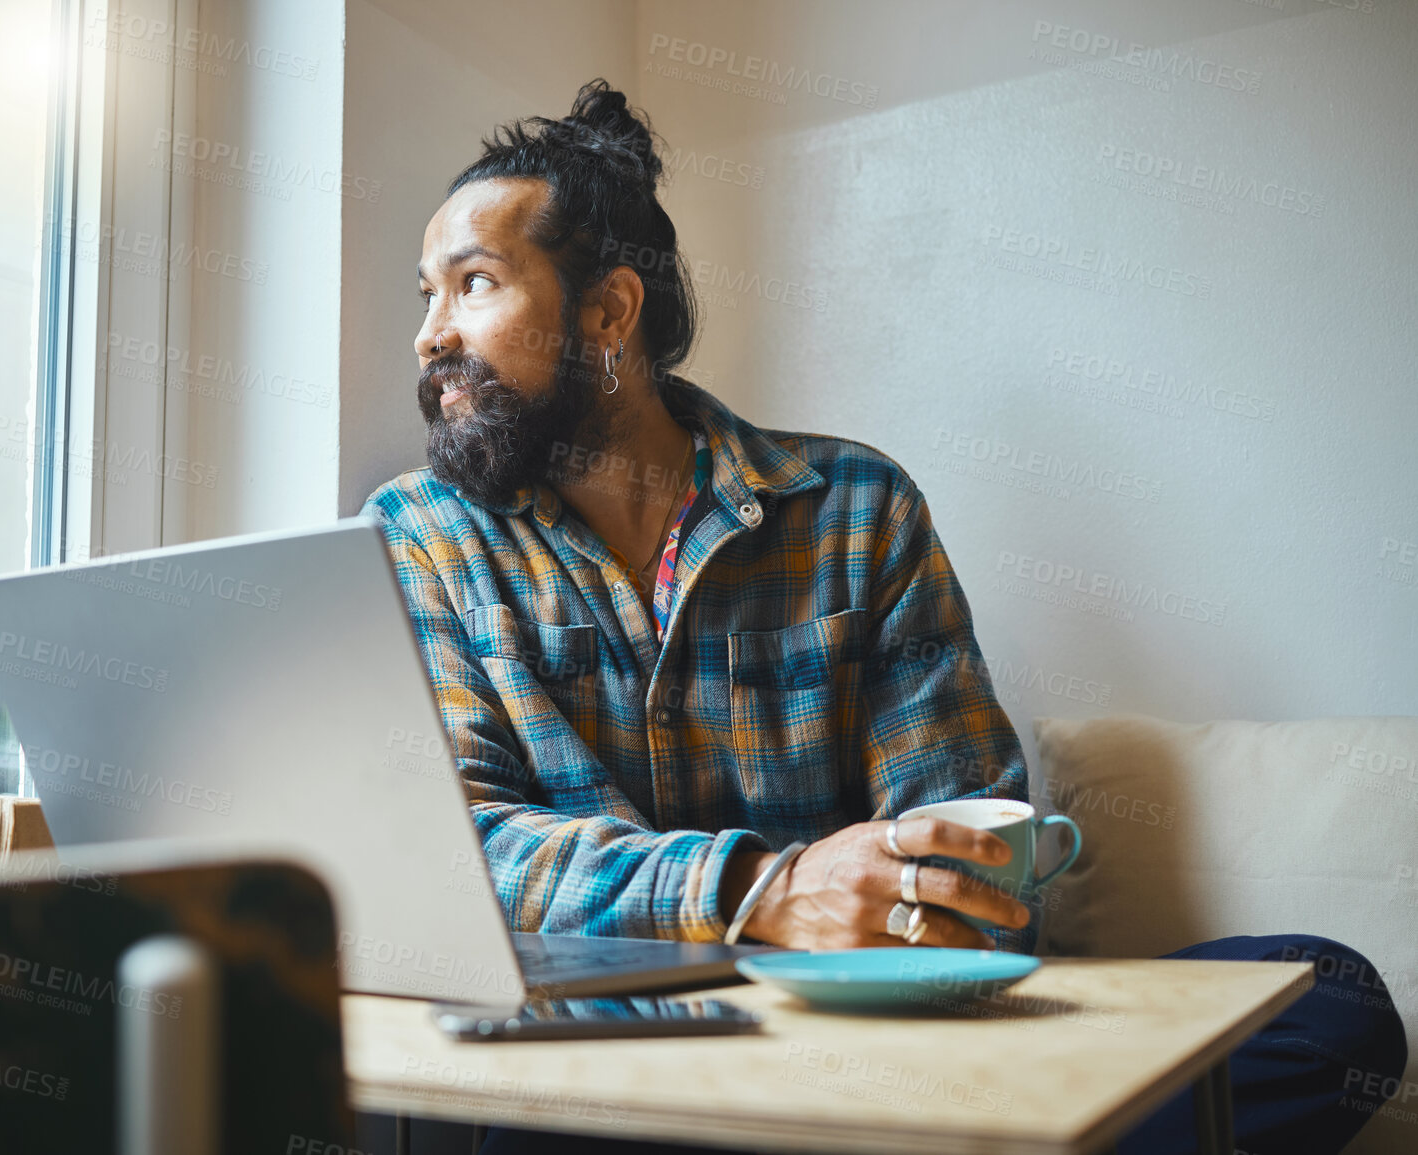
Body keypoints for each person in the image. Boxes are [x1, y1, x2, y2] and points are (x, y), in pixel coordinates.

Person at [361, 79, 1405, 1155]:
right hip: (617, 1056)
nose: (429, 336)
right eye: (425, 296)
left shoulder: (856, 508)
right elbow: (457, 853)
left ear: (610, 313)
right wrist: (760, 892)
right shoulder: (419, 534)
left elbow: (968, 841)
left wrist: (911, 916)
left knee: (1327, 995)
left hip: (866, 1035)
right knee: (534, 1128)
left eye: (471, 285)